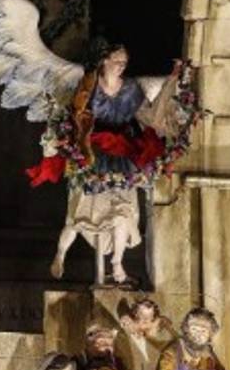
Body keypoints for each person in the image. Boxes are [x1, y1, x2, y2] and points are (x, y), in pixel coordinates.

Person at [42, 42, 186, 285]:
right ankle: (61, 254)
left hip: (122, 154)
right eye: (117, 61)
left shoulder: (131, 89)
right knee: (79, 212)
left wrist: (172, 81)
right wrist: (62, 140)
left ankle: (118, 264)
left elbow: (150, 116)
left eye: (124, 63)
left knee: (123, 211)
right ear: (104, 61)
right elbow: (69, 116)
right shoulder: (87, 86)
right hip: (92, 151)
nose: (121, 66)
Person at [114, 296, 175, 370]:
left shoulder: (152, 342)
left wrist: (168, 328)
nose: (145, 321)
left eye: (149, 318)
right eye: (141, 316)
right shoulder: (121, 338)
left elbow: (171, 346)